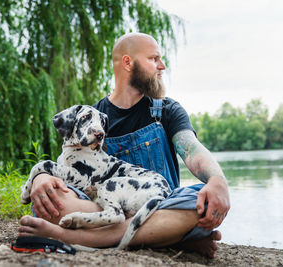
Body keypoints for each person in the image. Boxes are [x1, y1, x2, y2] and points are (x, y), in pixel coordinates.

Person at [18, 33, 230, 258]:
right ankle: (167, 237)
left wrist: (217, 181)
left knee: (199, 200)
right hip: (106, 210)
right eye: (153, 58)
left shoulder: (167, 110)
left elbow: (191, 148)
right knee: (52, 199)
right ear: (128, 63)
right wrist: (42, 178)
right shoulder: (92, 119)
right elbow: (69, 169)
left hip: (158, 205)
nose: (162, 66)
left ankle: (81, 238)